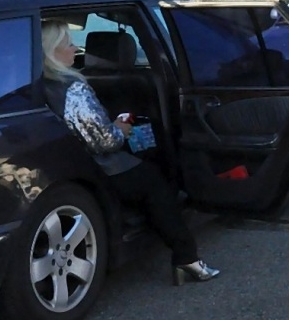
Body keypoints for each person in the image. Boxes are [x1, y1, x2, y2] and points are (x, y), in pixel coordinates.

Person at [40, 21, 220, 285]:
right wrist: (119, 129)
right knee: (154, 182)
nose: (76, 48)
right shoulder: (72, 87)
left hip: (70, 167)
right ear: (52, 51)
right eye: (69, 44)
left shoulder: (37, 85)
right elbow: (104, 141)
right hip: (103, 168)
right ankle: (187, 259)